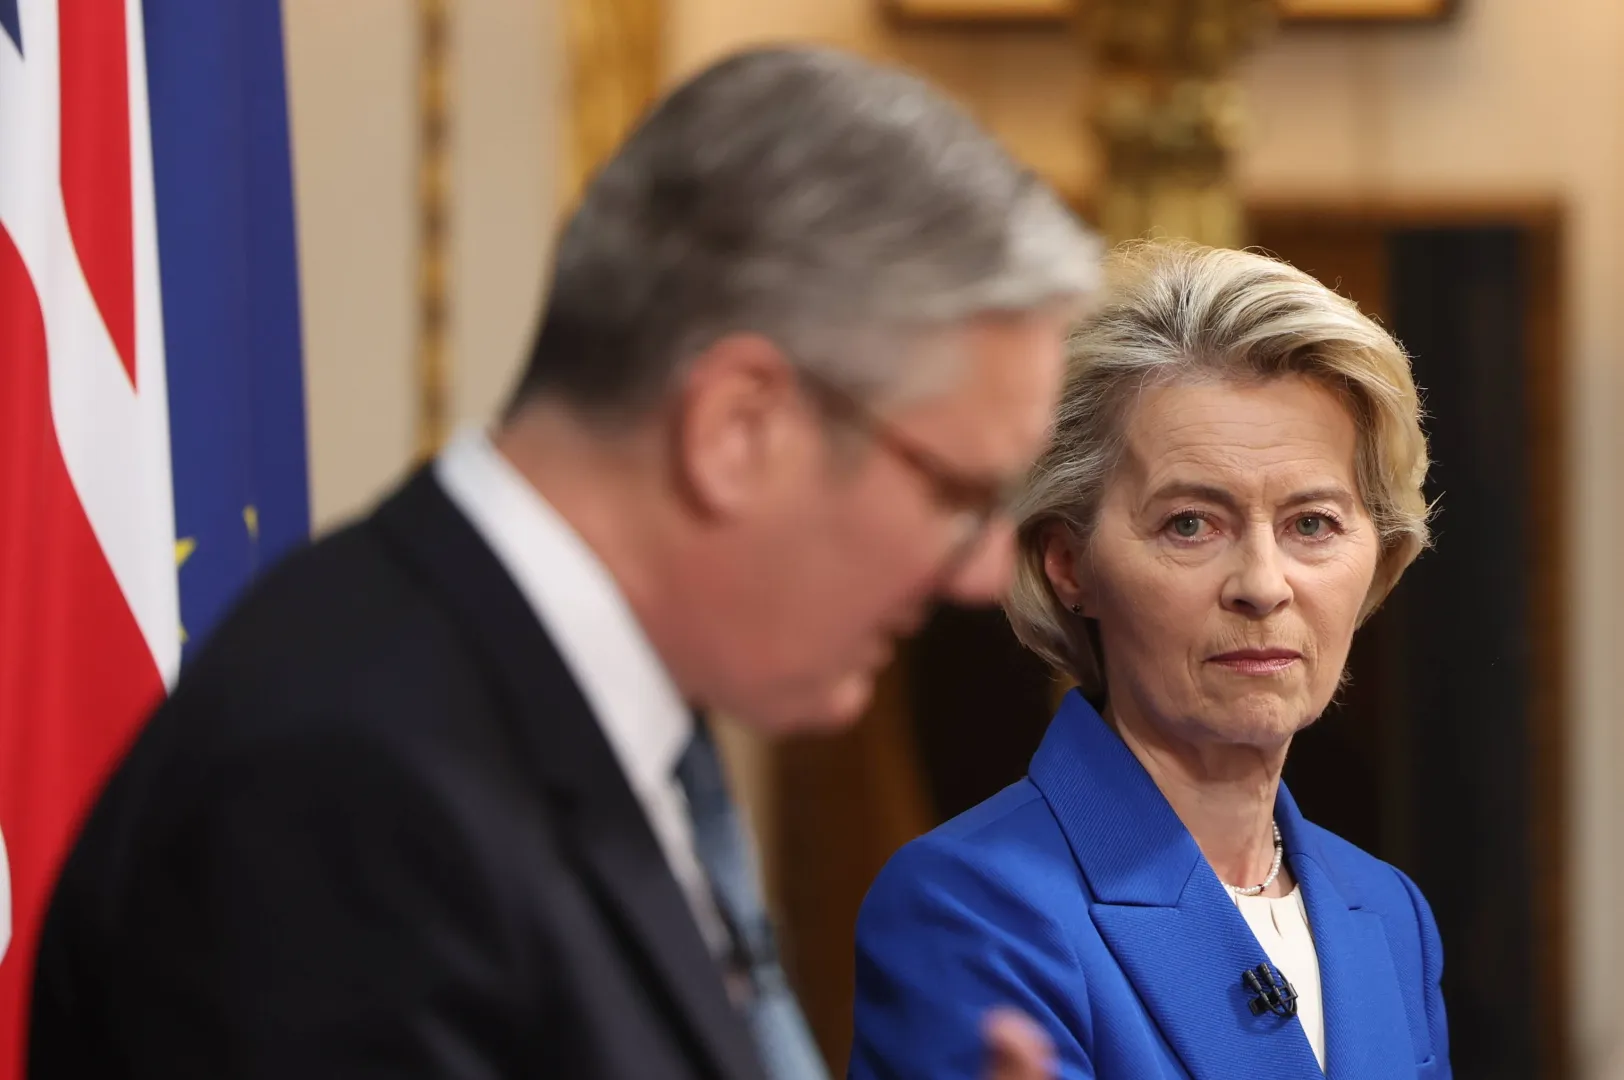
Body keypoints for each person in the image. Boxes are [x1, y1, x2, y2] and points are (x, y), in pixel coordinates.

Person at [27, 45, 1101, 1080]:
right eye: (958, 496)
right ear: (740, 428)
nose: (974, 575)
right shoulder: (342, 791)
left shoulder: (574, 710)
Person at [850, 242, 1451, 1079]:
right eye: (1191, 524)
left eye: (1312, 524)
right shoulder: (969, 909)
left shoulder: (1389, 915)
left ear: (1379, 556)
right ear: (1068, 564)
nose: (1262, 585)